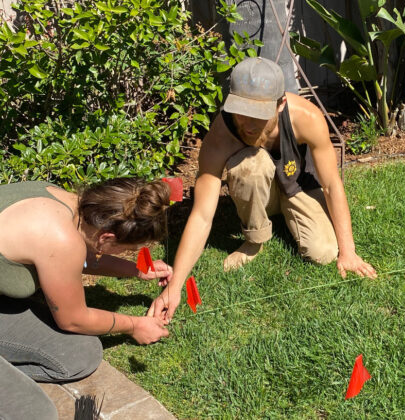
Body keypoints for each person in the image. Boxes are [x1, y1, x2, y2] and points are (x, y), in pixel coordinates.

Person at [148, 57, 376, 322]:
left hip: (298, 185)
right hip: (259, 186)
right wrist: (175, 287)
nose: (247, 123)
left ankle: (286, 218)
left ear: (280, 105)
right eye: (240, 111)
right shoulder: (221, 135)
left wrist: (348, 251)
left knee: (324, 253)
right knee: (248, 167)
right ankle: (255, 240)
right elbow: (201, 214)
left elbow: (331, 185)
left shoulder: (308, 118)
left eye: (257, 114)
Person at [0, 178, 173, 420]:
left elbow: (75, 257)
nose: (126, 253)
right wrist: (136, 325)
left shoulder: (59, 197)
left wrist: (134, 269)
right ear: (106, 238)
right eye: (127, 249)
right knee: (36, 413)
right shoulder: (60, 239)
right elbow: (73, 320)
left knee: (78, 354)